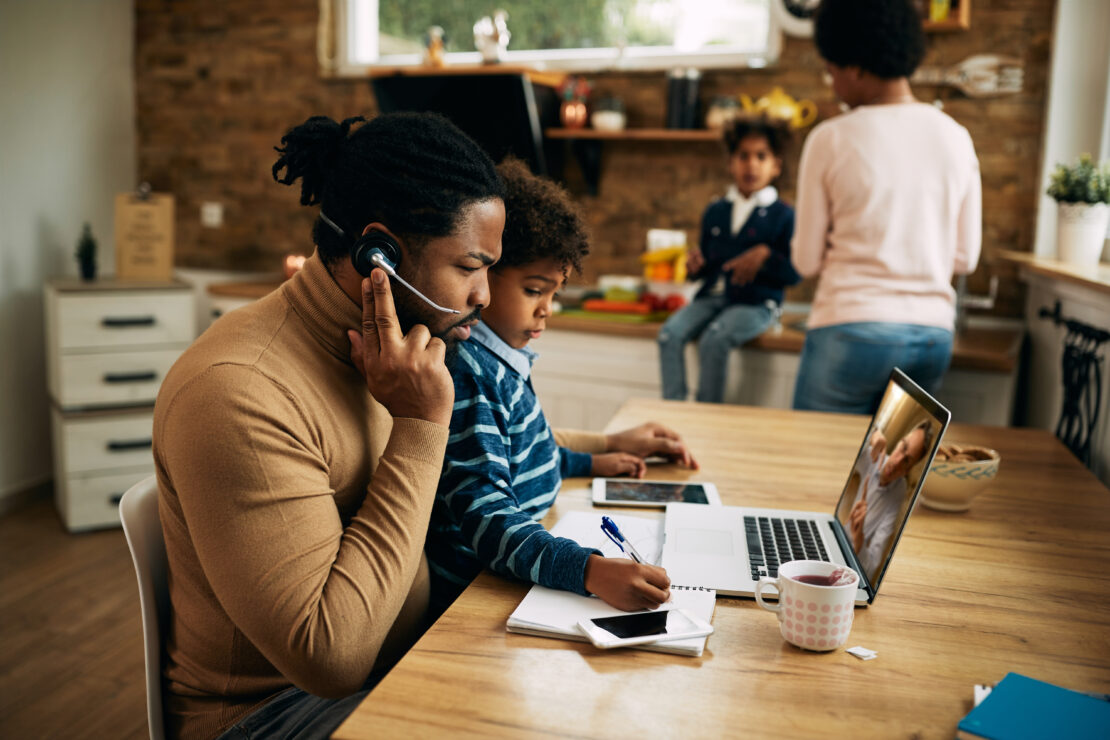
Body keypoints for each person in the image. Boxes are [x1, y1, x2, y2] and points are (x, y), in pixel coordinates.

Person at [152, 112, 505, 740]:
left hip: (402, 662)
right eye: (469, 266)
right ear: (382, 253)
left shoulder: (402, 347)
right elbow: (329, 658)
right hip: (271, 715)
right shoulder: (238, 392)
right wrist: (421, 427)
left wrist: (599, 449)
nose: (485, 294)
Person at [426, 158, 699, 619]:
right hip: (473, 597)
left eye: (555, 294)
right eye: (535, 291)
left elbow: (520, 456)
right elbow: (486, 514)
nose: (546, 310)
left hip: (516, 565)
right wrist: (589, 571)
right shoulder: (470, 373)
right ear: (484, 275)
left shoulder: (500, 358)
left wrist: (587, 462)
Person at [791, 0, 982, 414]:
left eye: (832, 70)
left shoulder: (831, 138)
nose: (831, 83)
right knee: (891, 476)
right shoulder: (956, 137)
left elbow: (805, 260)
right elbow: (965, 258)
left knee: (812, 466)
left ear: (856, 66)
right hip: (932, 337)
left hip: (849, 329)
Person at [658, 116, 800, 403]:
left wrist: (767, 256)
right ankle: (673, 409)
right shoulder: (716, 211)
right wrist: (695, 267)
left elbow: (795, 272)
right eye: (743, 156)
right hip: (712, 299)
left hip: (757, 304)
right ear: (730, 162)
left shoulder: (784, 215)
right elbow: (709, 264)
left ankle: (707, 414)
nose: (751, 164)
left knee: (714, 339)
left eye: (761, 156)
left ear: (776, 165)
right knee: (669, 335)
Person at [846, 420, 933, 581]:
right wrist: (872, 433)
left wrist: (859, 541)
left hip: (849, 562)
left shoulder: (899, 492)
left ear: (908, 469)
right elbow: (844, 447)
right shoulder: (872, 456)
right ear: (899, 442)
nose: (897, 461)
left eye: (907, 460)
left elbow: (871, 569)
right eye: (903, 447)